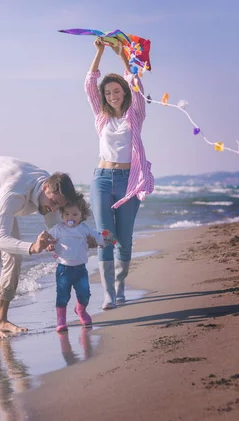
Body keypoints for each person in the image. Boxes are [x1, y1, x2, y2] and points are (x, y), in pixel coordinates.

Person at [0, 156, 78, 341]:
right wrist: (33, 247)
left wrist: (67, 246)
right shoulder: (15, 193)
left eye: (59, 206)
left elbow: (57, 230)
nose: (54, 209)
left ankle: (2, 318)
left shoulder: (50, 190)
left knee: (14, 255)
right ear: (45, 187)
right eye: (53, 203)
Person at [85, 38, 155, 310]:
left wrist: (122, 56)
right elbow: (89, 85)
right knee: (106, 236)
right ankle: (108, 294)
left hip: (129, 182)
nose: (112, 96)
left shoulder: (135, 115)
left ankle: (121, 284)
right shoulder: (100, 117)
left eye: (117, 91)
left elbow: (136, 83)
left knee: (123, 240)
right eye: (108, 93)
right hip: (101, 179)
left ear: (124, 93)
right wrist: (99, 53)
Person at [47, 192, 106, 332]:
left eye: (74, 214)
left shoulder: (84, 228)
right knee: (62, 296)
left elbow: (97, 236)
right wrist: (48, 245)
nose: (70, 217)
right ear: (62, 214)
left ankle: (81, 310)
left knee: (84, 294)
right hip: (63, 269)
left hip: (80, 270)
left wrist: (104, 240)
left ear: (82, 215)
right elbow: (48, 239)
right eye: (66, 214)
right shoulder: (58, 229)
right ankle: (61, 320)